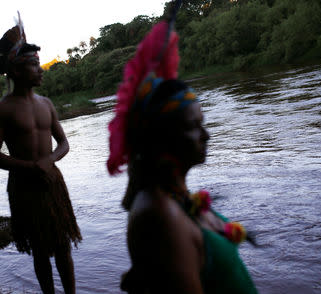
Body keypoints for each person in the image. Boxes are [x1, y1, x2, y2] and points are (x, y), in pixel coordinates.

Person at [107, 18, 258, 294]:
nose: (206, 135)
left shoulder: (174, 196)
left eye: (202, 123)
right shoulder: (160, 214)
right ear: (161, 137)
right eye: (192, 126)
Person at [0, 14, 81, 294]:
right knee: (40, 250)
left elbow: (63, 143)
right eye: (34, 65)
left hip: (52, 183)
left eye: (40, 64)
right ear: (15, 71)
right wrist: (30, 167)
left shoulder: (47, 104)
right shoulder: (3, 110)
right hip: (25, 188)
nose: (41, 70)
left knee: (63, 246)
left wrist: (49, 161)